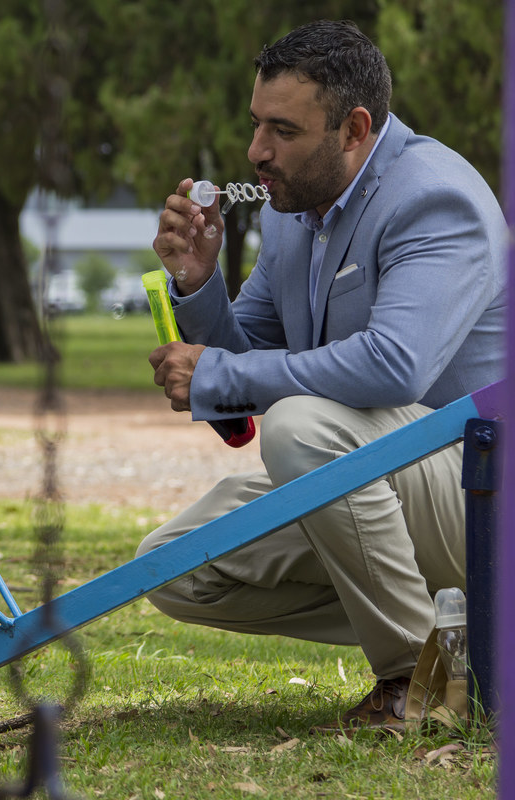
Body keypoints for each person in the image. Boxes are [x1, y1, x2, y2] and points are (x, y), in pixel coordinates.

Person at [138, 19, 505, 734]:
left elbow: (394, 363)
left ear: (354, 128)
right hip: (390, 492)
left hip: (485, 496)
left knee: (304, 425)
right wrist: (201, 288)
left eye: (282, 130)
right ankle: (469, 637)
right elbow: (251, 358)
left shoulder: (436, 199)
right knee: (174, 566)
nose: (256, 152)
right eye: (255, 126)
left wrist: (220, 374)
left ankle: (419, 681)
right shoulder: (293, 214)